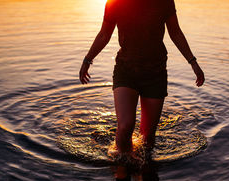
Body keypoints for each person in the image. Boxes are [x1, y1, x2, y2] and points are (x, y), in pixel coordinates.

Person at [79, 0, 204, 160]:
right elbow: (104, 34)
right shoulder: (115, 3)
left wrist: (193, 63)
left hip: (155, 72)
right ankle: (122, 169)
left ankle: (143, 171)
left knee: (148, 137)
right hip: (126, 69)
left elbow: (175, 32)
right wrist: (87, 60)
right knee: (125, 126)